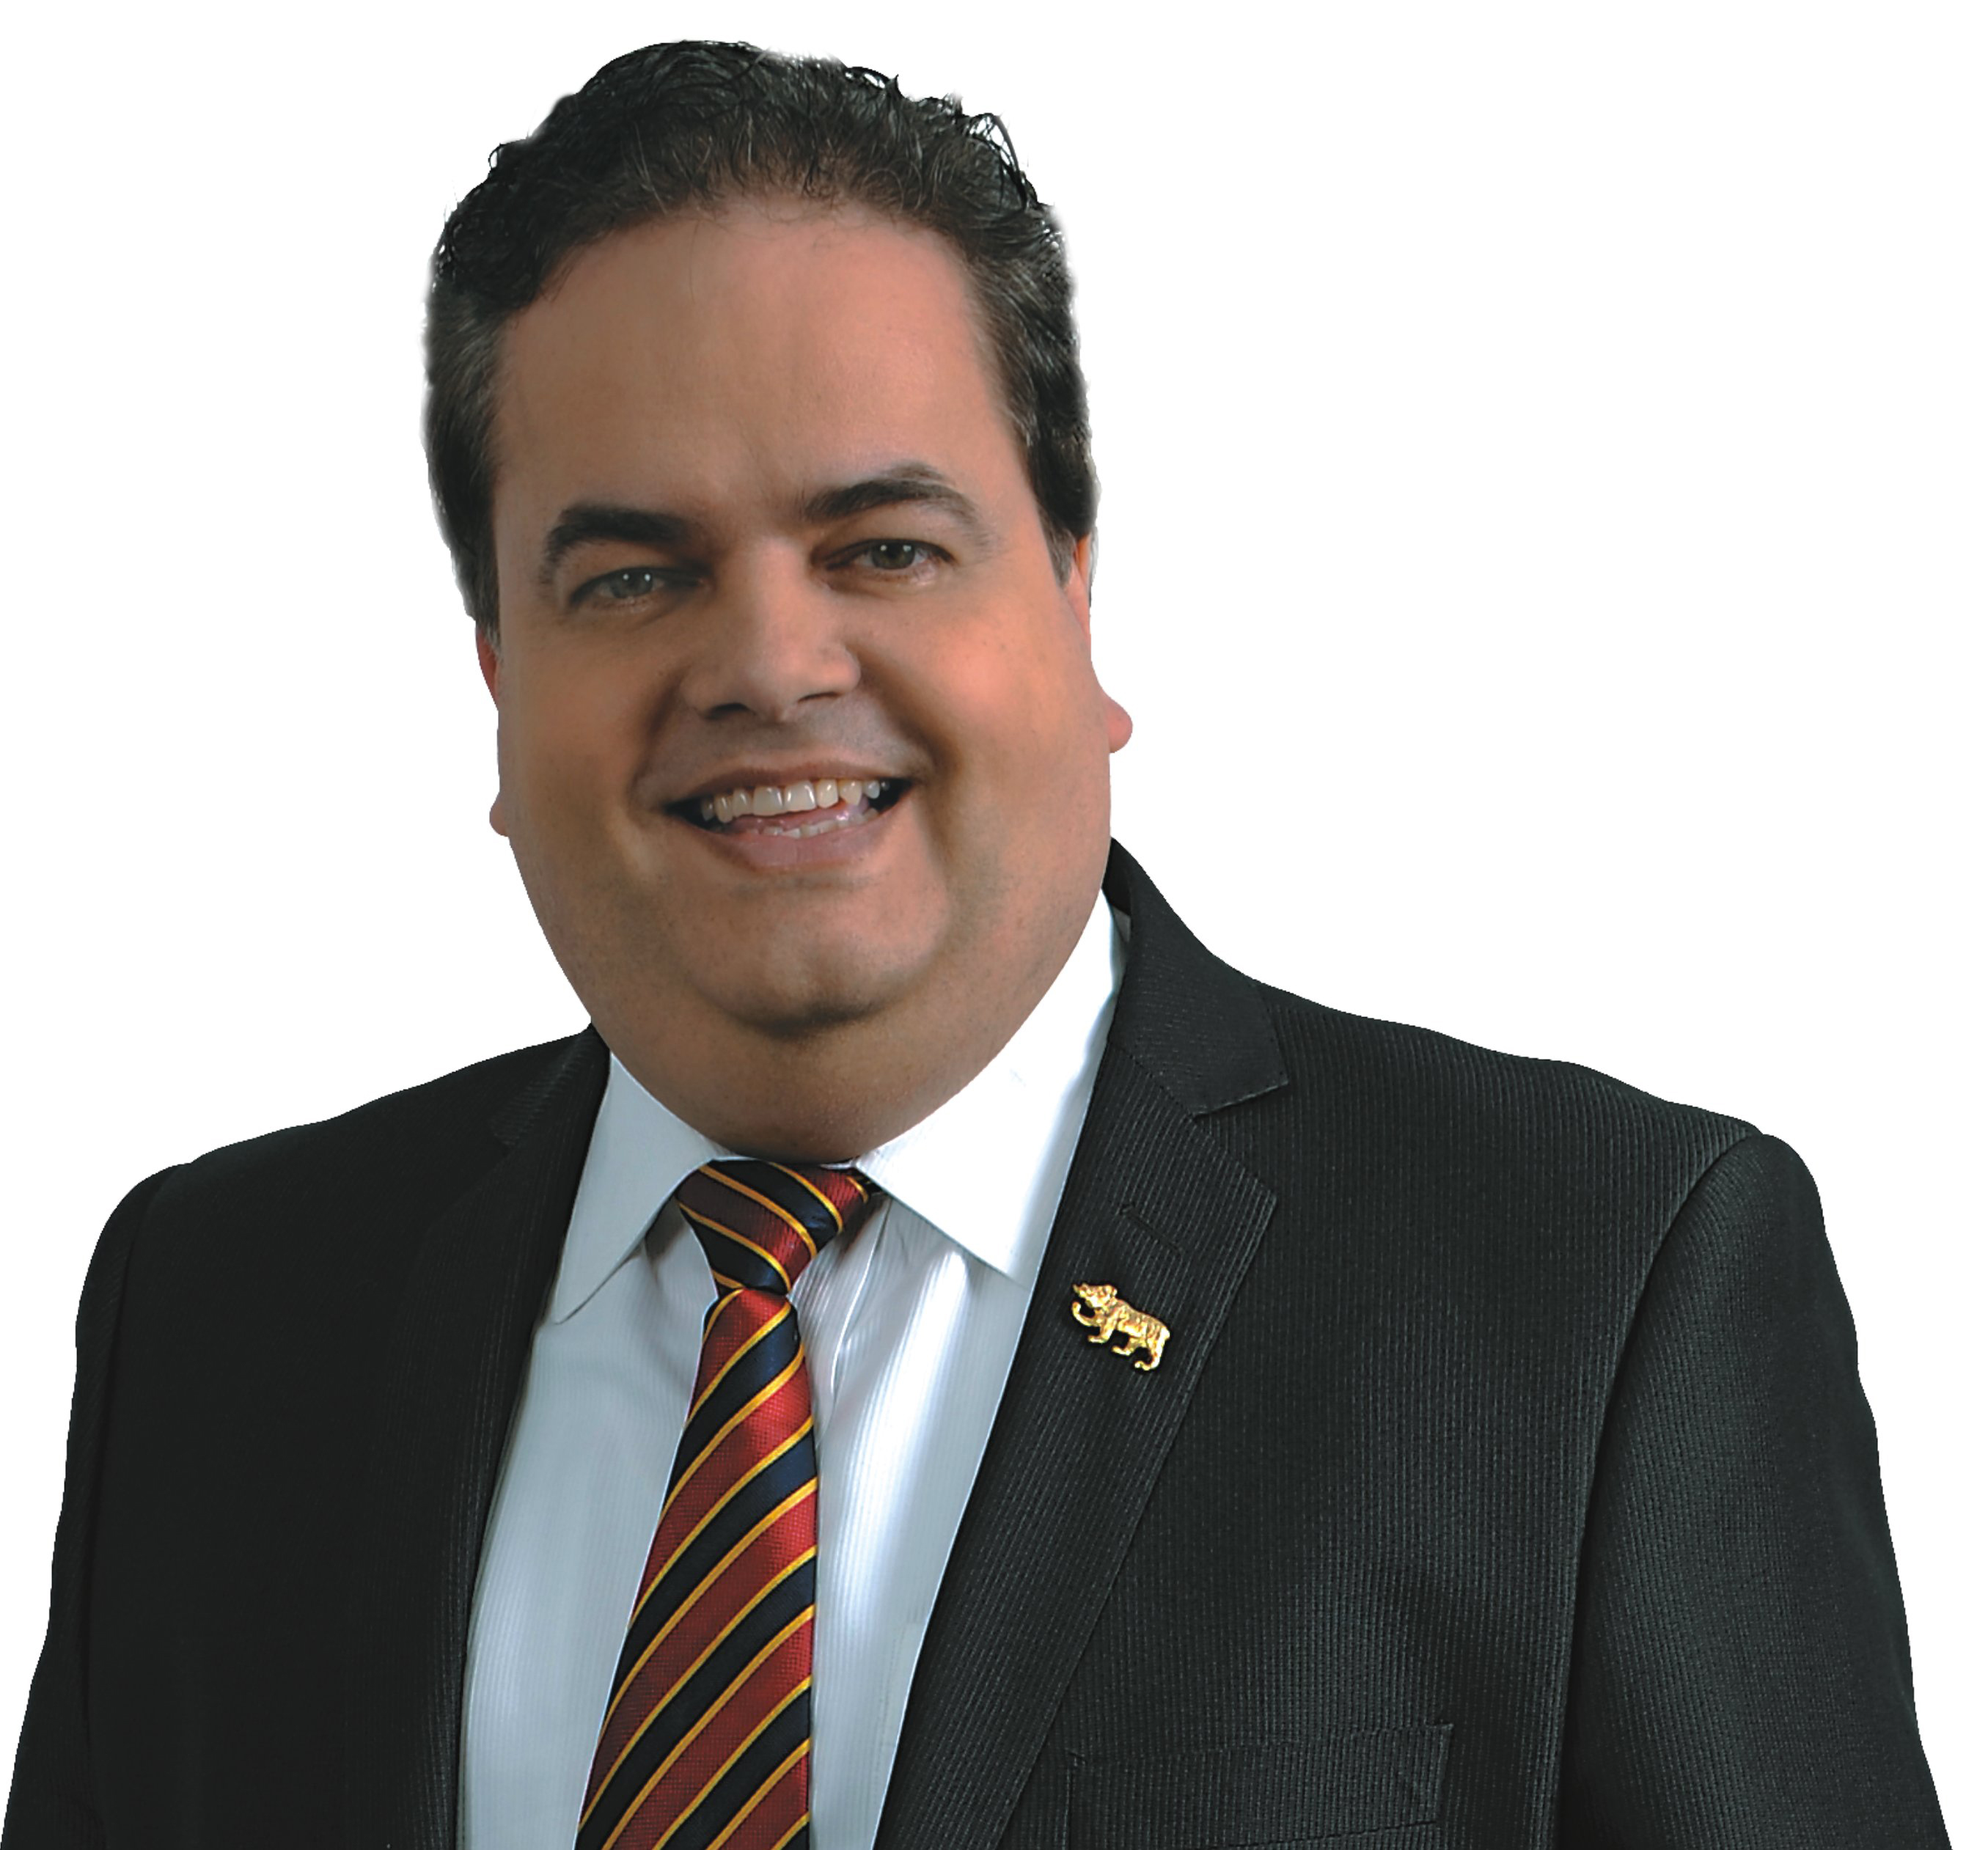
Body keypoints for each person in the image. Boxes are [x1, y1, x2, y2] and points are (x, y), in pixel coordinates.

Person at [2, 38, 1950, 1850]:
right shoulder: (222, 1314)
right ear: (500, 682)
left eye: (885, 547)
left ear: (1078, 602)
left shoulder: (1595, 1292)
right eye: (636, 573)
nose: (770, 660)